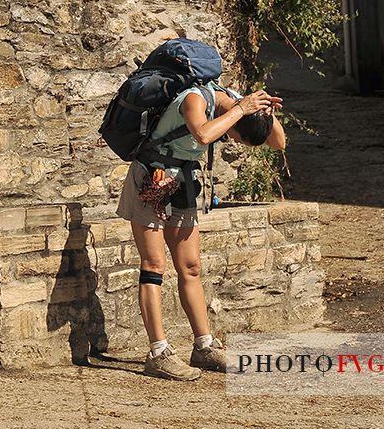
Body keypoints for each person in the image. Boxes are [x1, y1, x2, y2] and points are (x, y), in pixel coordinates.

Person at [116, 83, 286, 381]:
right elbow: (204, 134)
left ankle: (204, 347)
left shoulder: (236, 102)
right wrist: (241, 111)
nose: (230, 139)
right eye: (235, 136)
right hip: (150, 180)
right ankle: (158, 353)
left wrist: (266, 112)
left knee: (191, 267)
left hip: (182, 181)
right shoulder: (194, 99)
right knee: (154, 265)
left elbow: (279, 143)